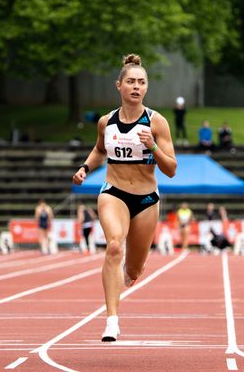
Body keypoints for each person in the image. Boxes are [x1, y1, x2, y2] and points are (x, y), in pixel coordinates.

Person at [72, 53, 176, 342]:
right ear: (119, 85)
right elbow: (98, 150)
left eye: (141, 82)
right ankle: (111, 321)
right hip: (113, 193)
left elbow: (171, 170)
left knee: (133, 270)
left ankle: (128, 276)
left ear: (146, 88)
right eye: (130, 81)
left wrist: (153, 147)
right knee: (114, 246)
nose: (136, 87)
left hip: (145, 200)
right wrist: (84, 168)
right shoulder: (106, 122)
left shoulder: (157, 122)